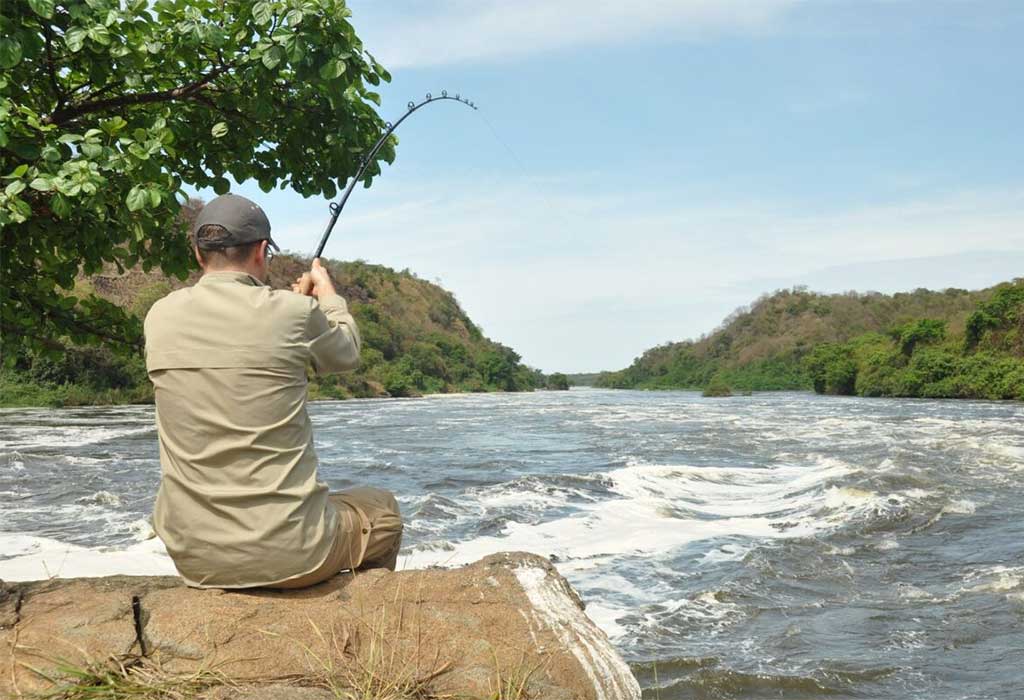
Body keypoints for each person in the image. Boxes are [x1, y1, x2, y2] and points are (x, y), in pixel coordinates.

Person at [144, 193, 403, 589]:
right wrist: (327, 295)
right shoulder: (294, 312)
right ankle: (362, 618)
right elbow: (345, 353)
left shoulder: (159, 315)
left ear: (199, 254)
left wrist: (292, 313)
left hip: (194, 557)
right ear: (262, 251)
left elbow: (233, 353)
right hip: (295, 551)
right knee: (383, 510)